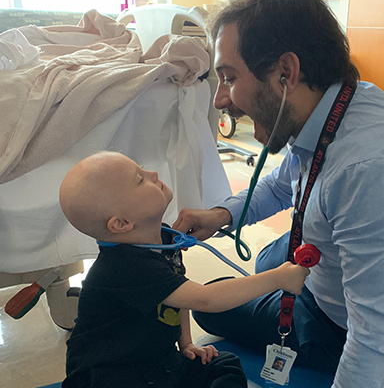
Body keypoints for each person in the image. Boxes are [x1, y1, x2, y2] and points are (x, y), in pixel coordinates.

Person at [172, 0, 384, 387]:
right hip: (332, 253)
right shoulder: (344, 103)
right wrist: (220, 214)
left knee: (210, 303)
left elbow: (375, 338)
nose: (220, 100)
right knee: (269, 262)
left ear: (286, 72)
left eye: (228, 78)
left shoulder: (370, 171)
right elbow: (283, 186)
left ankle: (375, 264)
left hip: (336, 324)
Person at [58, 151, 309, 388]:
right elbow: (205, 298)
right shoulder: (123, 266)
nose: (154, 174)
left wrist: (186, 343)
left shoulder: (164, 239)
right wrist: (277, 278)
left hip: (157, 363)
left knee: (225, 366)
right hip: (108, 375)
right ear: (122, 223)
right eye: (140, 180)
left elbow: (179, 291)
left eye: (143, 170)